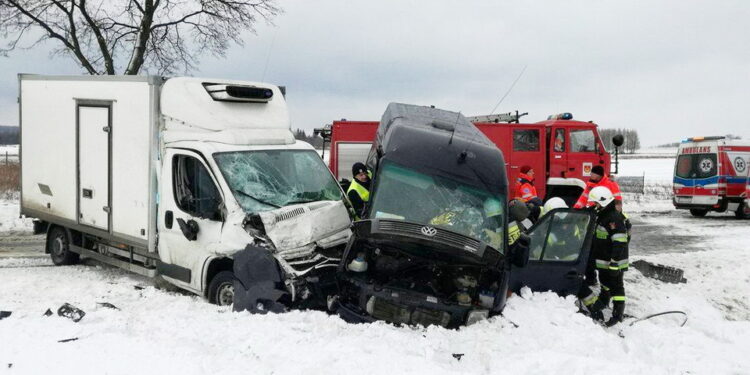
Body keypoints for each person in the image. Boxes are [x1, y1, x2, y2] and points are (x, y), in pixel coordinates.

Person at [577, 186, 629, 326]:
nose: (595, 206)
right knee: (605, 282)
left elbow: (619, 241)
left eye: (596, 203)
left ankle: (618, 315)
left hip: (614, 261)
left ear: (604, 202)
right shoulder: (603, 215)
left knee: (617, 286)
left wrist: (614, 262)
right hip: (604, 261)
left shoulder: (613, 218)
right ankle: (604, 301)